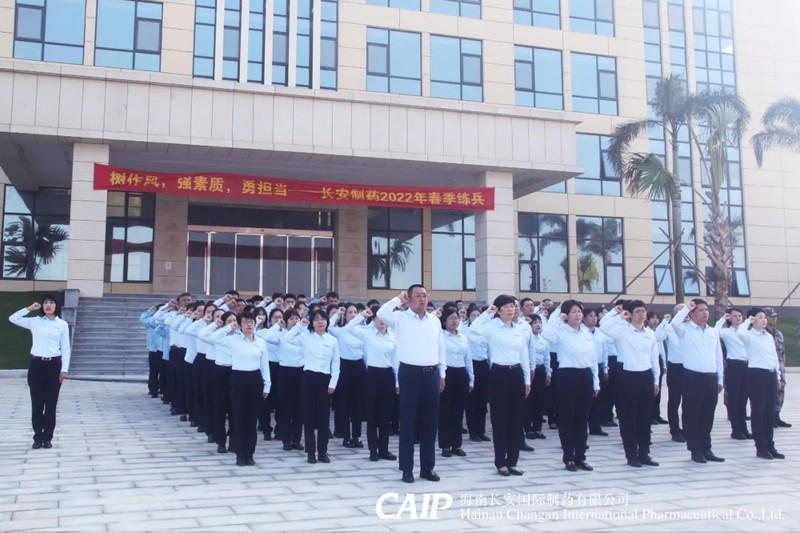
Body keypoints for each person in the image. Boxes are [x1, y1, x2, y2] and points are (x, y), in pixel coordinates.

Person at [377, 285, 446, 484]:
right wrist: (398, 299)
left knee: (430, 423)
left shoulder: (434, 321)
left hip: (431, 373)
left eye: (425, 295)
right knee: (408, 422)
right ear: (409, 298)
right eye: (417, 296)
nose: (422, 299)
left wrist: (442, 373)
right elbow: (381, 313)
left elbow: (440, 348)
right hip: (410, 373)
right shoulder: (400, 318)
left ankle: (427, 468)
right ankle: (407, 469)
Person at [472, 296, 531, 476]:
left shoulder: (520, 329)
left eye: (513, 306)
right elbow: (473, 329)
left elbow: (524, 355)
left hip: (516, 373)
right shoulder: (491, 327)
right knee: (499, 420)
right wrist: (487, 314)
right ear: (498, 310)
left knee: (515, 420)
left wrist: (527, 380)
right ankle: (500, 462)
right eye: (506, 307)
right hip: (499, 374)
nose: (511, 309)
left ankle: (513, 461)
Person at [599, 301, 661, 467]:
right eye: (637, 312)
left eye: (643, 311)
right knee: (628, 417)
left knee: (645, 417)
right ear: (630, 314)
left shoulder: (650, 333)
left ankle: (644, 453)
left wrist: (656, 380)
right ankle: (631, 455)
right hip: (627, 376)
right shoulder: (622, 331)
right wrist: (619, 315)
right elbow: (604, 327)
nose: (641, 315)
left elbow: (654, 358)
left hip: (645, 376)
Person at [542, 300, 599, 472]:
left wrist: (595, 381)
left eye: (579, 311)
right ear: (566, 315)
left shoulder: (586, 332)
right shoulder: (560, 331)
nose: (578, 315)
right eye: (573, 311)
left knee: (582, 418)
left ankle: (581, 457)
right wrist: (558, 318)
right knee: (567, 417)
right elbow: (546, 334)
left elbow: (593, 358)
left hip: (585, 375)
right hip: (567, 376)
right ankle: (568, 457)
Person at [9, 296, 71, 449]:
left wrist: (64, 369)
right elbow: (13, 318)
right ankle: (37, 437)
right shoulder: (35, 322)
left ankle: (47, 437)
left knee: (51, 404)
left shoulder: (62, 325)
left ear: (56, 306)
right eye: (45, 303)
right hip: (37, 366)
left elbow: (66, 348)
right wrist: (29, 308)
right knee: (37, 404)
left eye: (51, 302)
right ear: (42, 306)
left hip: (54, 366)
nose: (48, 305)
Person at [212, 311, 271, 466]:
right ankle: (240, 454)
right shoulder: (232, 340)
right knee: (239, 418)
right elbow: (213, 338)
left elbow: (264, 364)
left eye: (251, 322)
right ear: (239, 325)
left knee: (252, 419)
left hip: (255, 379)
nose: (249, 325)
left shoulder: (260, 342)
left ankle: (249, 454)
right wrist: (229, 327)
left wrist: (267, 385)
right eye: (245, 322)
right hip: (238, 378)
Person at [670, 299, 725, 464]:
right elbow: (674, 323)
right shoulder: (685, 329)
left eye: (706, 310)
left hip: (711, 378)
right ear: (692, 314)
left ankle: (707, 448)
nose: (705, 313)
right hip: (693, 378)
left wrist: (720, 378)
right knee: (692, 415)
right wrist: (686, 308)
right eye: (701, 310)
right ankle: (695, 450)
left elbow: (718, 356)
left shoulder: (712, 331)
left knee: (708, 415)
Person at [285, 309, 340, 464]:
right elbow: (288, 338)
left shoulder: (332, 340)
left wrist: (333, 383)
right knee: (308, 417)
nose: (320, 322)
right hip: (309, 378)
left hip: (325, 380)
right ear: (312, 323)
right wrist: (300, 325)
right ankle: (310, 452)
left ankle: (322, 452)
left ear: (327, 321)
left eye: (323, 319)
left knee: (323, 418)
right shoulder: (306, 337)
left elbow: (336, 364)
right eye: (316, 319)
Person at [344, 307, 398, 461]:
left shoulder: (393, 335)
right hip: (372, 375)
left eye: (384, 318)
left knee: (385, 416)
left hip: (388, 375)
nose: (382, 321)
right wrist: (362, 315)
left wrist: (398, 381)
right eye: (378, 318)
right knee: (372, 415)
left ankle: (384, 450)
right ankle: (373, 450)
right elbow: (349, 328)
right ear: (373, 319)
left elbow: (396, 360)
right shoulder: (367, 333)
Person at [737, 309, 785, 460]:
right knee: (758, 412)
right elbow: (740, 332)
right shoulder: (748, 335)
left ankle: (770, 445)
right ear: (753, 320)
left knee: (769, 412)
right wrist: (748, 321)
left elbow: (774, 357)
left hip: (771, 375)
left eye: (765, 317)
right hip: (757, 375)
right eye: (760, 317)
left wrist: (778, 376)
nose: (764, 320)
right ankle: (761, 447)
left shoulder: (769, 336)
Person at [438, 306, 473, 458]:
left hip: (461, 373)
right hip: (446, 374)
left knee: (458, 411)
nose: (454, 321)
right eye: (451, 318)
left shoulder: (463, 337)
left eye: (456, 318)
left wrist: (471, 379)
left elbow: (468, 359)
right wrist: (440, 376)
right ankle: (445, 445)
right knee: (445, 411)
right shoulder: (440, 336)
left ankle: (456, 444)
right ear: (444, 321)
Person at [329, 305, 366, 448]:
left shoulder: (363, 331)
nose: (352, 314)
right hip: (344, 367)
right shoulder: (342, 331)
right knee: (344, 403)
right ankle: (345, 436)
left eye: (355, 312)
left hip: (359, 367)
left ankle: (357, 436)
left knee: (357, 404)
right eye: (350, 312)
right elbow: (329, 326)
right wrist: (337, 314)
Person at [203, 311, 238, 453]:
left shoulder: (240, 336)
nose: (233, 323)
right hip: (220, 372)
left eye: (235, 320)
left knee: (235, 408)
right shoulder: (218, 335)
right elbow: (204, 335)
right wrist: (220, 326)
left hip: (236, 372)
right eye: (229, 321)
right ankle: (220, 441)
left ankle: (234, 441)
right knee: (219, 408)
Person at [714, 308, 751, 439]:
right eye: (734, 316)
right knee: (734, 398)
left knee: (743, 399)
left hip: (747, 366)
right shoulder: (726, 332)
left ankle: (744, 429)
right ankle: (736, 430)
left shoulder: (746, 332)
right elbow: (715, 332)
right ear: (730, 318)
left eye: (740, 315)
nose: (738, 318)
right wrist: (723, 319)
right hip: (734, 366)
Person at [461, 304, 491, 443]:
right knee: (472, 401)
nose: (476, 318)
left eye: (478, 315)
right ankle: (473, 432)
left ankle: (481, 430)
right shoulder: (465, 330)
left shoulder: (485, 331)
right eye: (473, 315)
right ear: (468, 317)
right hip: (471, 364)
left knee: (482, 401)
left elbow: (489, 350)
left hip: (483, 365)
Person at [660, 304, 686, 442]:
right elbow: (658, 337)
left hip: (689, 368)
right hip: (675, 368)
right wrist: (664, 322)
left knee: (689, 401)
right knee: (674, 401)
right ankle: (675, 430)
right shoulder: (669, 327)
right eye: (681, 311)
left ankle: (687, 429)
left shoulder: (691, 327)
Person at [526, 314, 551, 440]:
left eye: (539, 322)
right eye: (535, 322)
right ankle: (527, 428)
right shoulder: (526, 339)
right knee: (528, 400)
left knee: (539, 400)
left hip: (540, 371)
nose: (538, 325)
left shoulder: (543, 341)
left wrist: (548, 373)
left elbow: (547, 358)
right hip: (529, 371)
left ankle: (537, 428)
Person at [765, 308, 791, 428]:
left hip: (780, 367)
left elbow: (783, 352)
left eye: (775, 316)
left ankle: (777, 416)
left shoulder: (779, 333)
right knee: (770, 393)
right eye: (772, 316)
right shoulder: (763, 334)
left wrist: (783, 366)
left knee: (780, 392)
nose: (774, 319)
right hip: (769, 367)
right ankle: (769, 418)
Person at [647, 311, 668, 425]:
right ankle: (649, 415)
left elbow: (662, 349)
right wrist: (665, 322)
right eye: (652, 318)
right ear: (647, 320)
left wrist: (664, 364)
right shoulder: (648, 332)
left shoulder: (658, 331)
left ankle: (656, 414)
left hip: (658, 360)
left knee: (658, 390)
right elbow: (658, 338)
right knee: (650, 390)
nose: (655, 320)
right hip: (649, 362)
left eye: (657, 318)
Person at [139, 304, 164, 398]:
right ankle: (154, 389)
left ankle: (158, 388)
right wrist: (150, 311)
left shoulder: (166, 320)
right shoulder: (152, 320)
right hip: (154, 349)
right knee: (154, 371)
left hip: (162, 349)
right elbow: (142, 319)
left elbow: (143, 318)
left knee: (160, 371)